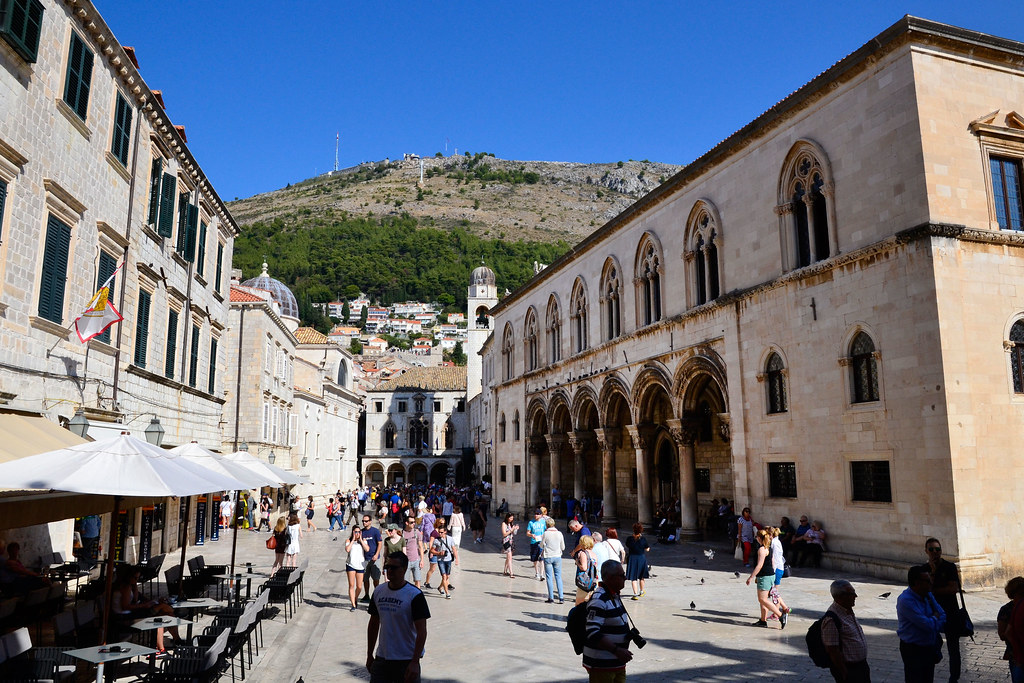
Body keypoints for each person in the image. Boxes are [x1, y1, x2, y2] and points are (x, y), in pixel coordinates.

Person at [366, 551, 430, 683]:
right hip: (382, 658)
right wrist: (369, 654)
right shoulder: (379, 591)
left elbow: (422, 631)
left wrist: (415, 662)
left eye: (394, 568)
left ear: (404, 569)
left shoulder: (414, 595)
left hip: (406, 660)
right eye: (387, 567)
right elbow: (373, 623)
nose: (389, 570)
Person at [111, 564, 179, 656]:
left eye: (137, 578)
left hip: (130, 614)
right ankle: (169, 645)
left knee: (166, 614)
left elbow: (135, 599)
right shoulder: (125, 588)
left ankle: (168, 644)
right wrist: (144, 605)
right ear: (128, 577)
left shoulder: (129, 586)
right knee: (161, 616)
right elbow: (126, 606)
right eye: (135, 578)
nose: (136, 580)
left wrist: (135, 587)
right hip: (125, 618)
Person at [583, 560, 634, 682]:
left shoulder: (613, 596)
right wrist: (617, 650)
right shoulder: (599, 599)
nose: (625, 578)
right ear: (611, 578)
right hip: (602, 665)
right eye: (622, 575)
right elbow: (592, 632)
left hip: (617, 663)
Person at [921, 537, 964, 682]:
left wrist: (933, 591)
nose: (935, 552)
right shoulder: (924, 570)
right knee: (931, 645)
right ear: (926, 551)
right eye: (931, 549)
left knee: (954, 649)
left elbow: (953, 589)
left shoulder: (949, 567)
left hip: (950, 613)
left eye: (937, 549)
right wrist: (932, 573)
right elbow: (924, 590)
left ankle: (954, 677)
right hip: (932, 614)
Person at [897, 564, 946, 683]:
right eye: (927, 581)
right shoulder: (906, 600)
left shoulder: (927, 595)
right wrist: (935, 620)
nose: (931, 583)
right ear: (917, 583)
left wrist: (933, 623)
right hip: (913, 649)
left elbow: (943, 615)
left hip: (928, 646)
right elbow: (926, 625)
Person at [821, 579, 871, 683]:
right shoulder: (832, 619)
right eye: (851, 594)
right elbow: (832, 649)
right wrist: (844, 673)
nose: (855, 596)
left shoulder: (847, 610)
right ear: (840, 597)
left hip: (861, 666)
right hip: (849, 670)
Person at [746, 529, 785, 628]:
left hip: (765, 576)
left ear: (759, 538)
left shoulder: (762, 549)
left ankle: (781, 615)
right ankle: (763, 620)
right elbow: (772, 563)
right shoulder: (769, 548)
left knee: (763, 599)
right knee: (763, 599)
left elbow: (759, 565)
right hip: (769, 575)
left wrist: (751, 577)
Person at [997, 576, 1024, 683]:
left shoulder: (1006, 609)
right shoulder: (1007, 610)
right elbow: (1004, 634)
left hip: (1015, 653)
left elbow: (1003, 634)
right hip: (1016, 653)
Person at [768, 527, 791, 622]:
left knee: (774, 592)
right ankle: (783, 609)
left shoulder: (773, 543)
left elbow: (774, 558)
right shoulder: (777, 542)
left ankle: (778, 612)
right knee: (774, 591)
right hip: (779, 568)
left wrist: (771, 571)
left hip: (776, 569)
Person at [429, 524, 458, 599]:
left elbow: (454, 549)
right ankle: (447, 593)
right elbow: (431, 550)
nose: (440, 534)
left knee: (447, 576)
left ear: (445, 532)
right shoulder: (436, 540)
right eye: (439, 532)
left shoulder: (450, 539)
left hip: (448, 559)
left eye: (441, 532)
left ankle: (440, 587)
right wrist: (438, 553)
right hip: (440, 560)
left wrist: (456, 559)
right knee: (444, 576)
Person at [346, 525, 370, 612]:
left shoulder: (363, 541)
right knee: (351, 585)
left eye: (359, 532)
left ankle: (355, 598)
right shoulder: (349, 541)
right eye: (355, 532)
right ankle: (353, 604)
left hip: (360, 565)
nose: (357, 533)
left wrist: (360, 540)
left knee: (359, 586)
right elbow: (347, 549)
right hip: (351, 565)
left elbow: (367, 549)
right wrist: (353, 540)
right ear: (353, 532)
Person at [624, 523, 650, 600]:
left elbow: (628, 545)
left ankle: (635, 594)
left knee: (633, 577)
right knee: (641, 576)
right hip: (641, 558)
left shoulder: (629, 539)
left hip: (632, 558)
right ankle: (641, 591)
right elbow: (647, 549)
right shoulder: (643, 539)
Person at [541, 518, 565, 604]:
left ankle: (551, 597)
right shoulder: (559, 533)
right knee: (558, 576)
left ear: (546, 525)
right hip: (557, 556)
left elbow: (541, 545)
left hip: (548, 556)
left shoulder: (545, 533)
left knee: (549, 577)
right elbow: (563, 547)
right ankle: (561, 597)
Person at [361, 513, 384, 602]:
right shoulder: (362, 532)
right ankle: (366, 595)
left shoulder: (375, 531)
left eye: (366, 521)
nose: (364, 523)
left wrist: (376, 554)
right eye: (363, 521)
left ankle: (376, 595)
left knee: (376, 578)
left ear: (370, 522)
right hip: (365, 559)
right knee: (365, 579)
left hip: (374, 558)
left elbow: (380, 543)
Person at [573, 534, 598, 606]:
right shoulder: (593, 554)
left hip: (584, 580)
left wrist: (577, 562)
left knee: (579, 604)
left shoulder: (583, 553)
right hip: (592, 581)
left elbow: (584, 568)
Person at [402, 517, 426, 588]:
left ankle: (417, 596)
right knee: (405, 581)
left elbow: (421, 547)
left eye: (414, 522)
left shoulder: (416, 532)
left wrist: (422, 560)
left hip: (416, 560)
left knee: (417, 580)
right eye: (411, 522)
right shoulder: (402, 534)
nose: (413, 524)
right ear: (406, 523)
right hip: (406, 561)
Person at [527, 508, 547, 581]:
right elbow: (528, 532)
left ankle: (542, 574)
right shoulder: (531, 523)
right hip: (534, 542)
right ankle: (537, 573)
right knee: (535, 558)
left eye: (537, 514)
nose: (536, 515)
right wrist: (532, 535)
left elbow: (546, 530)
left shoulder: (543, 522)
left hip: (541, 542)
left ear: (541, 515)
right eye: (535, 514)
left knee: (542, 558)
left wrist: (544, 536)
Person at [501, 512, 519, 578]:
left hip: (511, 541)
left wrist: (516, 529)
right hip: (506, 542)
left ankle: (505, 571)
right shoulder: (504, 524)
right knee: (510, 557)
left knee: (508, 557)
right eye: (510, 518)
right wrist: (511, 530)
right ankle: (511, 573)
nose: (511, 519)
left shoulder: (511, 524)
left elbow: (514, 533)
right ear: (507, 517)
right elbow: (504, 534)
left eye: (512, 518)